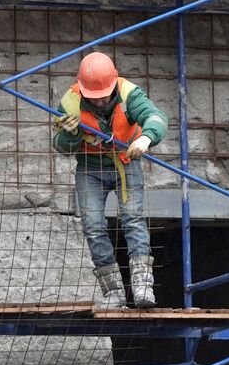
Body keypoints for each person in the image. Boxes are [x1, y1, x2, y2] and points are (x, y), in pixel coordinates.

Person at [54, 51, 168, 310]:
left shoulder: (130, 94)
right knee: (92, 225)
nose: (101, 100)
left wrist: (145, 138)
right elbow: (61, 145)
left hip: (126, 161)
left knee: (133, 218)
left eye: (105, 94)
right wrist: (70, 135)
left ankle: (142, 286)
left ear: (114, 83)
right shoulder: (70, 102)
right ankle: (113, 292)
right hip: (90, 168)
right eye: (94, 97)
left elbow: (156, 117)